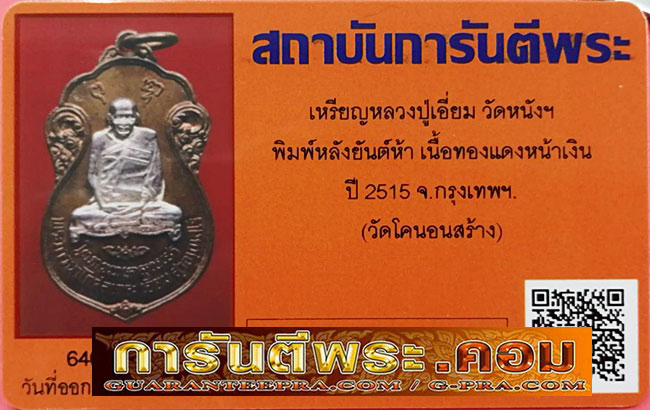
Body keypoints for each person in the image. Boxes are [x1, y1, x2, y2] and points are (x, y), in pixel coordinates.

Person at [69, 98, 182, 242]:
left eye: (129, 117)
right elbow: (93, 175)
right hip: (107, 203)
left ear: (136, 117)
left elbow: (155, 175)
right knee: (78, 215)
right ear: (110, 118)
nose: (124, 123)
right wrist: (104, 203)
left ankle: (118, 222)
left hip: (142, 204)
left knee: (174, 213)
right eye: (119, 117)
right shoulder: (100, 139)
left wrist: (141, 203)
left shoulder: (148, 137)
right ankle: (129, 222)